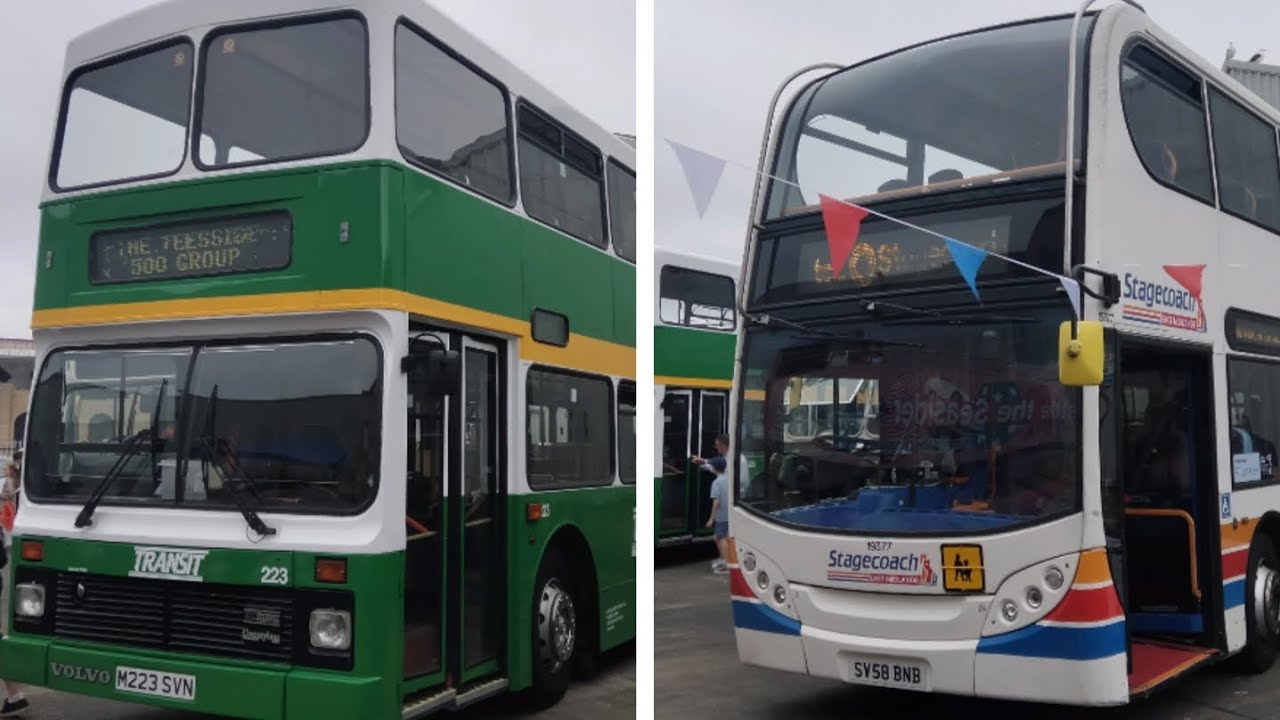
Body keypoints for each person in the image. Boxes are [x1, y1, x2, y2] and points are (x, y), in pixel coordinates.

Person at [693, 434, 753, 499]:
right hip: (730, 494)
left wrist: (704, 462)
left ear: (723, 446)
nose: (716, 448)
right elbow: (720, 469)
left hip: (736, 497)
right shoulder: (728, 457)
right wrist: (703, 463)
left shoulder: (737, 459)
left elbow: (722, 472)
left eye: (717, 445)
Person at [705, 456, 730, 574]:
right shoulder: (728, 479)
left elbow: (716, 502)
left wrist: (711, 518)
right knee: (722, 537)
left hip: (721, 515)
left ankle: (725, 563)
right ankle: (724, 560)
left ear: (714, 468)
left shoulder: (716, 483)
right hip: (729, 514)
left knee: (720, 538)